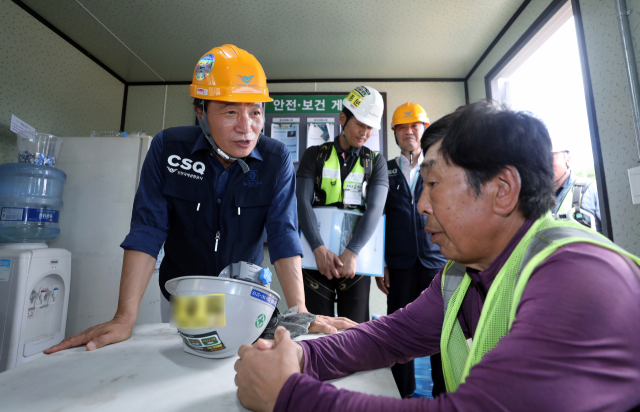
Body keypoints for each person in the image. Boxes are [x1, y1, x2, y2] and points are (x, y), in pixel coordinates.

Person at [234, 101, 640, 412]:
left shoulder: (580, 277)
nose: (421, 203)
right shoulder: (461, 273)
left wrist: (289, 395)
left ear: (502, 190)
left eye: (432, 183)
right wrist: (299, 354)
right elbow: (390, 335)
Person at [44, 44, 352, 355]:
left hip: (246, 297)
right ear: (200, 112)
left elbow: (283, 233)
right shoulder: (169, 149)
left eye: (255, 112)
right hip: (188, 297)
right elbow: (147, 230)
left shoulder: (275, 160)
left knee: (242, 370)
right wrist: (125, 317)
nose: (246, 128)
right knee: (191, 364)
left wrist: (299, 311)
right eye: (230, 111)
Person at [296, 86, 389, 323]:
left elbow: (375, 209)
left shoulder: (376, 162)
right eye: (360, 124)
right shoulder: (313, 155)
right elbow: (302, 202)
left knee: (355, 335)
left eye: (370, 127)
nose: (364, 132)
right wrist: (318, 249)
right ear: (342, 118)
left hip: (355, 263)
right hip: (315, 259)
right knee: (316, 332)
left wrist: (352, 252)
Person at [377, 102, 446, 398]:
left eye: (414, 126)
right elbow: (377, 218)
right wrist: (380, 264)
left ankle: (445, 393)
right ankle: (401, 392)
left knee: (442, 330)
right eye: (402, 127)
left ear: (424, 129)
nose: (409, 132)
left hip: (435, 260)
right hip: (399, 263)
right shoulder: (385, 168)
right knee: (398, 330)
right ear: (395, 133)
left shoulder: (440, 165)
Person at [551, 146, 601, 233]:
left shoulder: (592, 189)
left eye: (552, 157)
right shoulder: (536, 198)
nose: (545, 163)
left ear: (568, 160)